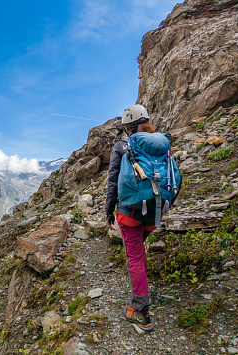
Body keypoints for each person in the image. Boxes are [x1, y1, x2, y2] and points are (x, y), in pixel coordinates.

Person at [105, 104, 157, 332]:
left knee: (134, 257)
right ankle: (142, 291)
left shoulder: (121, 146)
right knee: (139, 252)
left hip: (130, 212)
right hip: (155, 210)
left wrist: (109, 210)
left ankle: (141, 313)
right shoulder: (158, 143)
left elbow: (113, 181)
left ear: (128, 126)